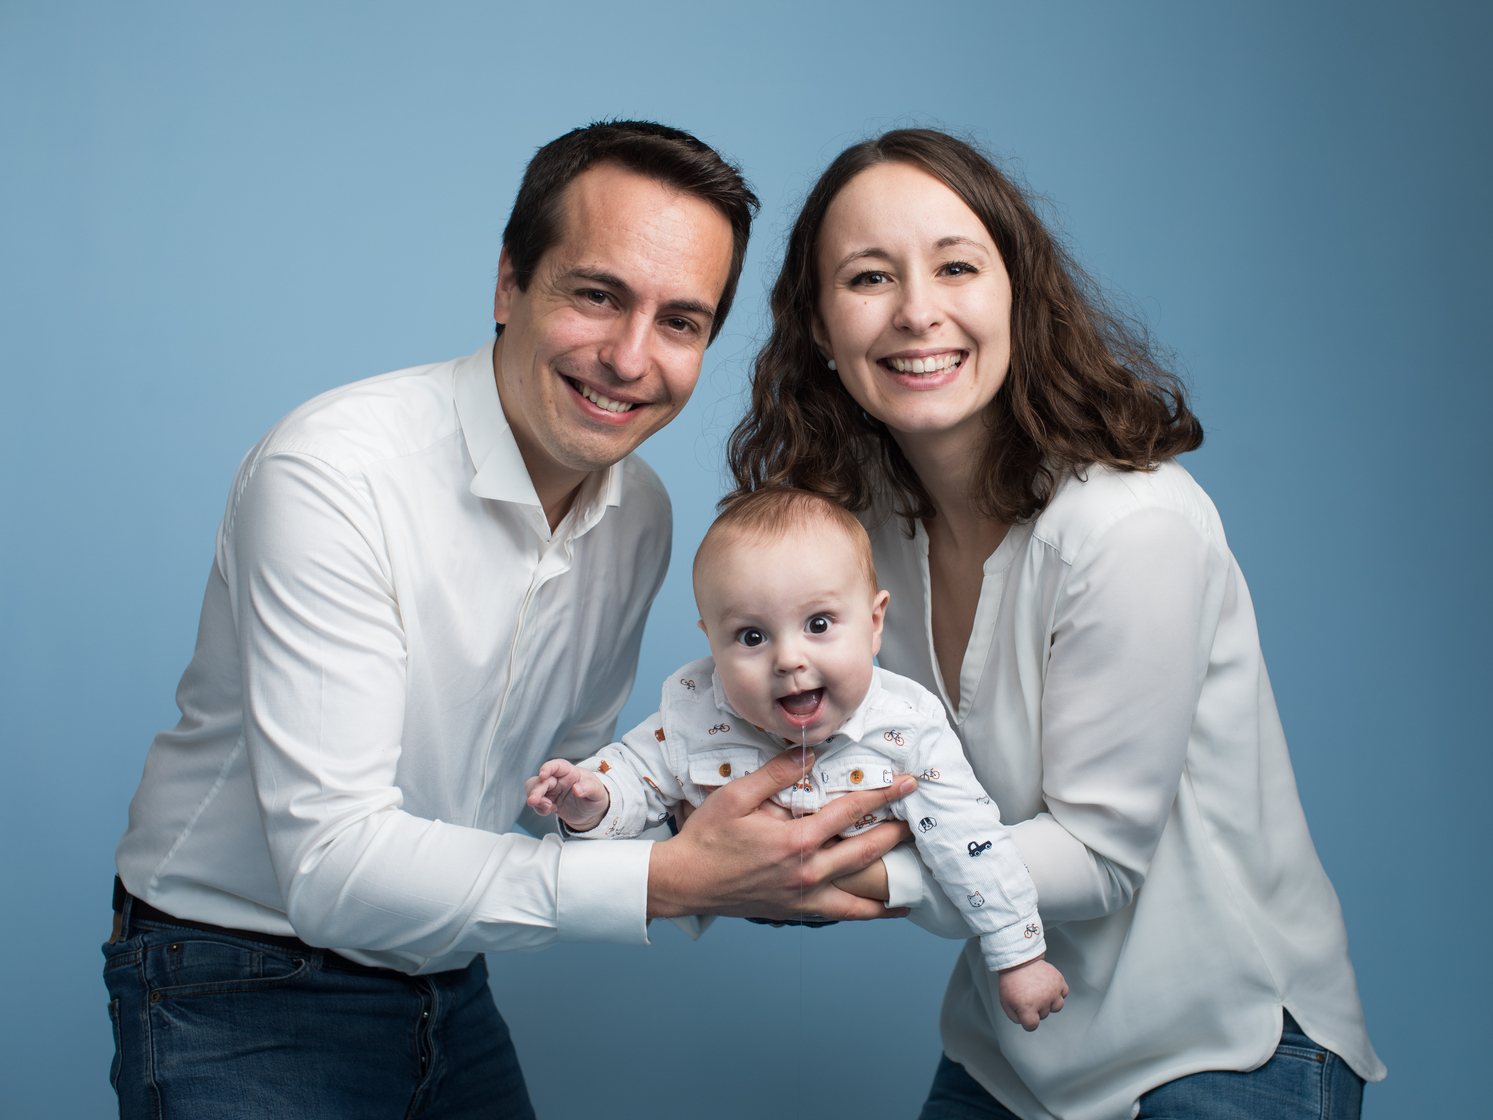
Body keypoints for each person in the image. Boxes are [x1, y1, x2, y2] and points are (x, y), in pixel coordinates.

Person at [104, 120, 915, 1120]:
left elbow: (563, 796)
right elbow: (332, 867)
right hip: (235, 975)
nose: (629, 357)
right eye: (597, 295)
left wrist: (764, 837)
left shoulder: (642, 515)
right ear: (507, 285)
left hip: (447, 972)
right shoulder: (334, 474)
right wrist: (677, 878)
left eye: (679, 321)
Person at [727, 128, 1386, 1120]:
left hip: (1222, 1047)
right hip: (1016, 1040)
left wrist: (825, 871)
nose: (917, 311)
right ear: (818, 324)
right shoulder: (852, 526)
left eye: (956, 266)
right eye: (868, 277)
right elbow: (801, 749)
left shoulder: (1129, 523)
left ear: (1017, 295)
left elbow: (1096, 858)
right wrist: (666, 830)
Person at [525, 487, 1069, 1030]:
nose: (789, 659)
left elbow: (973, 841)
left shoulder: (908, 727)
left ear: (874, 622)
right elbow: (635, 771)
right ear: (712, 643)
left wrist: (1019, 957)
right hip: (723, 891)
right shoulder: (695, 708)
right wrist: (592, 801)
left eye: (819, 624)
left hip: (862, 893)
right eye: (751, 636)